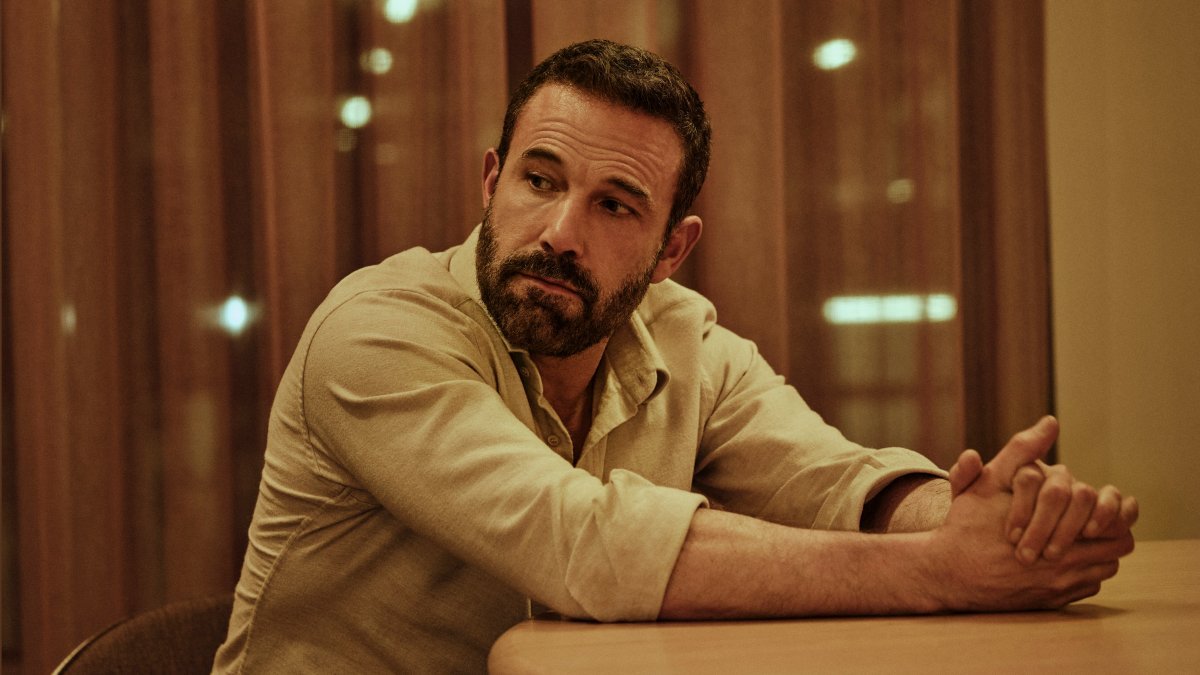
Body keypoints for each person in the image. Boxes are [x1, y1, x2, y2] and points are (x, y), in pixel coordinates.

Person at [213, 39, 1136, 673]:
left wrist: (975, 520)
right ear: (492, 182)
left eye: (616, 205)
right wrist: (942, 571)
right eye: (539, 180)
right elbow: (579, 539)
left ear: (671, 250)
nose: (560, 231)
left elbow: (829, 479)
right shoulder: (376, 331)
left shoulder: (684, 336)